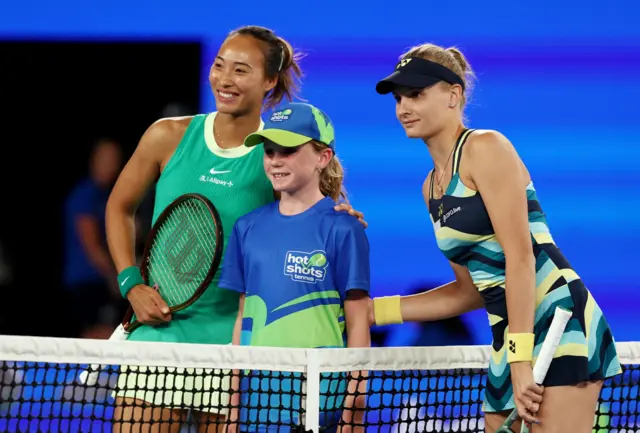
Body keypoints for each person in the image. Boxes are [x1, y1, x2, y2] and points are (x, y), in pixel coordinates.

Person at [105, 26, 367, 433]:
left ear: (269, 82)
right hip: (159, 338)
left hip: (238, 352)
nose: (224, 79)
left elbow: (314, 214)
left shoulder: (277, 157)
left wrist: (338, 219)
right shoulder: (167, 136)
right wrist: (130, 283)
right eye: (219, 65)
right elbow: (120, 207)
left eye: (241, 70)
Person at [369, 43, 622, 433]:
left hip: (556, 320)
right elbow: (468, 291)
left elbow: (519, 257)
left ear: (454, 95)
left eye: (416, 94)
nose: (404, 106)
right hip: (510, 335)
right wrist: (376, 311)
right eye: (399, 97)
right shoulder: (431, 189)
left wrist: (521, 361)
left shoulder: (486, 148)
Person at [218, 102, 371, 433]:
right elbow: (243, 317)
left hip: (320, 401)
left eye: (287, 149)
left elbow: (359, 320)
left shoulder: (345, 229)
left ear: (322, 157)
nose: (274, 159)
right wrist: (232, 407)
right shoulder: (247, 228)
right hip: (258, 403)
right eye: (269, 150)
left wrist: (354, 406)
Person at [62, 138, 125, 339]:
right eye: (106, 158)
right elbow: (91, 245)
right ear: (94, 160)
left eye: (115, 159)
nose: (111, 164)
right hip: (86, 283)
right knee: (98, 336)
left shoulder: (109, 196)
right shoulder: (84, 195)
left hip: (102, 283)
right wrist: (115, 276)